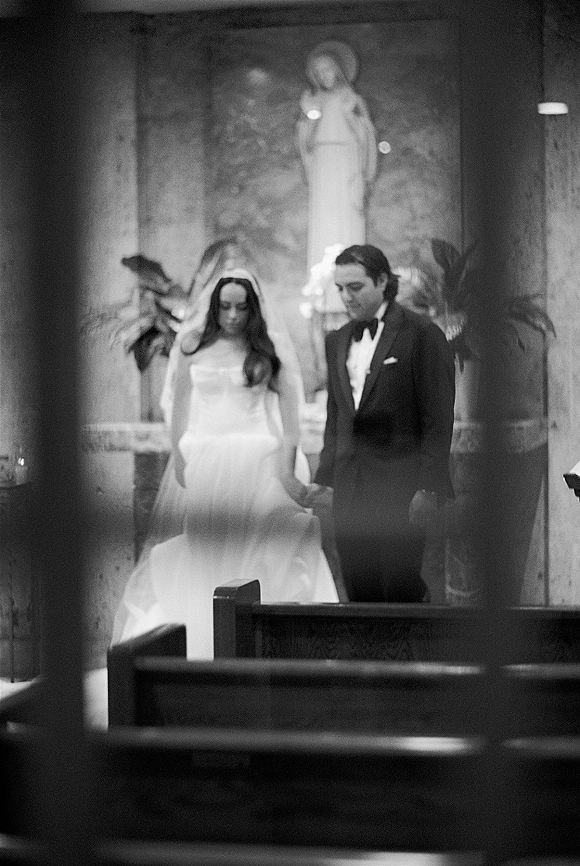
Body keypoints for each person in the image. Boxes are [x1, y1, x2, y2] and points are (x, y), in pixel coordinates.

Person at [112, 268, 338, 658]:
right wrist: (181, 457)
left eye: (241, 307)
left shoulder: (268, 351)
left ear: (253, 309)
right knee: (208, 552)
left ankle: (270, 648)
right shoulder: (191, 347)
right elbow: (178, 411)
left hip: (261, 460)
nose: (233, 316)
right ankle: (206, 644)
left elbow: (290, 422)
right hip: (208, 462)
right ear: (214, 307)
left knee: (265, 551)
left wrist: (287, 472)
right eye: (225, 307)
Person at [313, 245, 455, 603]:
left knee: (401, 591)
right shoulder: (336, 340)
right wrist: (325, 481)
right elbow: (336, 417)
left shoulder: (422, 333)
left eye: (355, 287)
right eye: (340, 288)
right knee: (358, 592)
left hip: (401, 490)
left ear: (381, 281)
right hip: (349, 490)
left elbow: (438, 418)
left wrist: (429, 487)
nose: (346, 297)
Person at [298, 41, 377, 274]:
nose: (324, 76)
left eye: (328, 70)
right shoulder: (313, 101)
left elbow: (367, 136)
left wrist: (349, 115)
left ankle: (351, 271)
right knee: (323, 216)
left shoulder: (351, 99)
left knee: (346, 214)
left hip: (347, 160)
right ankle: (320, 275)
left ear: (339, 70)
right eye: (319, 73)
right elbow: (306, 142)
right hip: (322, 161)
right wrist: (312, 115)